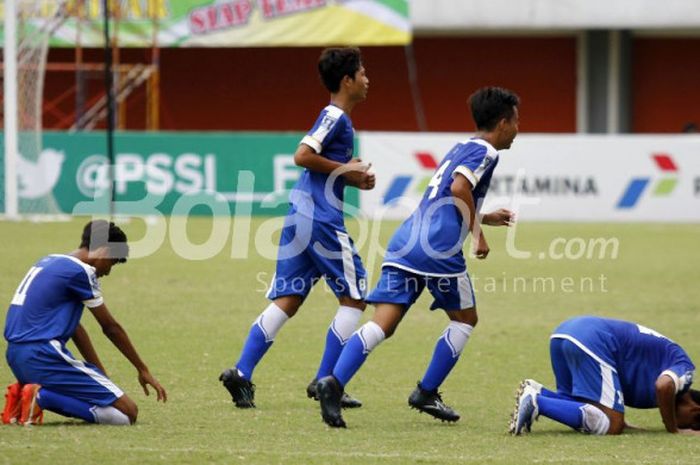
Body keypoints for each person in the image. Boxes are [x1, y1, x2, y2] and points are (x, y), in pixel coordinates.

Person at [316, 86, 520, 428]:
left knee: (383, 324)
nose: (517, 129)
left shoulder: (462, 146)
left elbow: (446, 197)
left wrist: (485, 217)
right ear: (502, 123)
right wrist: (478, 235)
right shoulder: (487, 152)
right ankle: (426, 391)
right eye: (516, 121)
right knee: (465, 319)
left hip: (406, 242)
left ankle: (332, 384)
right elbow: (458, 189)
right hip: (438, 249)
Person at [219, 47, 375, 409]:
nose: (368, 80)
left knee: (287, 299)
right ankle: (327, 381)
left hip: (299, 214)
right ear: (347, 80)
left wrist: (350, 176)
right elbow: (302, 155)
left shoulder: (337, 118)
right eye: (364, 73)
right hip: (321, 219)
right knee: (354, 297)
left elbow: (319, 169)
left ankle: (242, 374)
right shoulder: (335, 115)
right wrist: (344, 171)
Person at [2, 220, 167, 426]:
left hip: (16, 356)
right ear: (105, 251)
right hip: (44, 355)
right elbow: (110, 328)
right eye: (112, 262)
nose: (107, 272)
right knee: (128, 414)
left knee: (103, 403)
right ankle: (41, 396)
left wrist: (101, 375)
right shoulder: (81, 271)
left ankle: (21, 396)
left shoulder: (48, 261)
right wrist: (142, 369)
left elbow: (76, 329)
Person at [510, 316, 700, 436]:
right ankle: (537, 403)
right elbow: (664, 385)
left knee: (576, 403)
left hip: (565, 333)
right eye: (694, 424)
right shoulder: (686, 369)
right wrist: (673, 429)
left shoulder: (653, 394)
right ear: (695, 409)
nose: (689, 427)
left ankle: (538, 392)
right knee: (612, 426)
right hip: (593, 339)